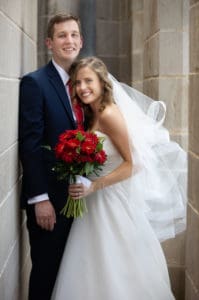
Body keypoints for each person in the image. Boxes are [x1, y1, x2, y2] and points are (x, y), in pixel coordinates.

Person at [51, 57, 187, 299]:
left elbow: (133, 164)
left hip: (111, 201)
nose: (83, 87)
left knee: (118, 266)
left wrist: (94, 186)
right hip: (92, 204)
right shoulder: (91, 115)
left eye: (88, 81)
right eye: (78, 82)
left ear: (102, 83)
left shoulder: (109, 114)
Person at [18, 14, 83, 300]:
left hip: (79, 200)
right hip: (50, 204)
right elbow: (30, 144)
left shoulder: (84, 84)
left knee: (73, 277)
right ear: (49, 43)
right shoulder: (35, 83)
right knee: (46, 274)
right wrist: (39, 199)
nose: (68, 40)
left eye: (73, 35)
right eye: (61, 35)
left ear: (80, 40)